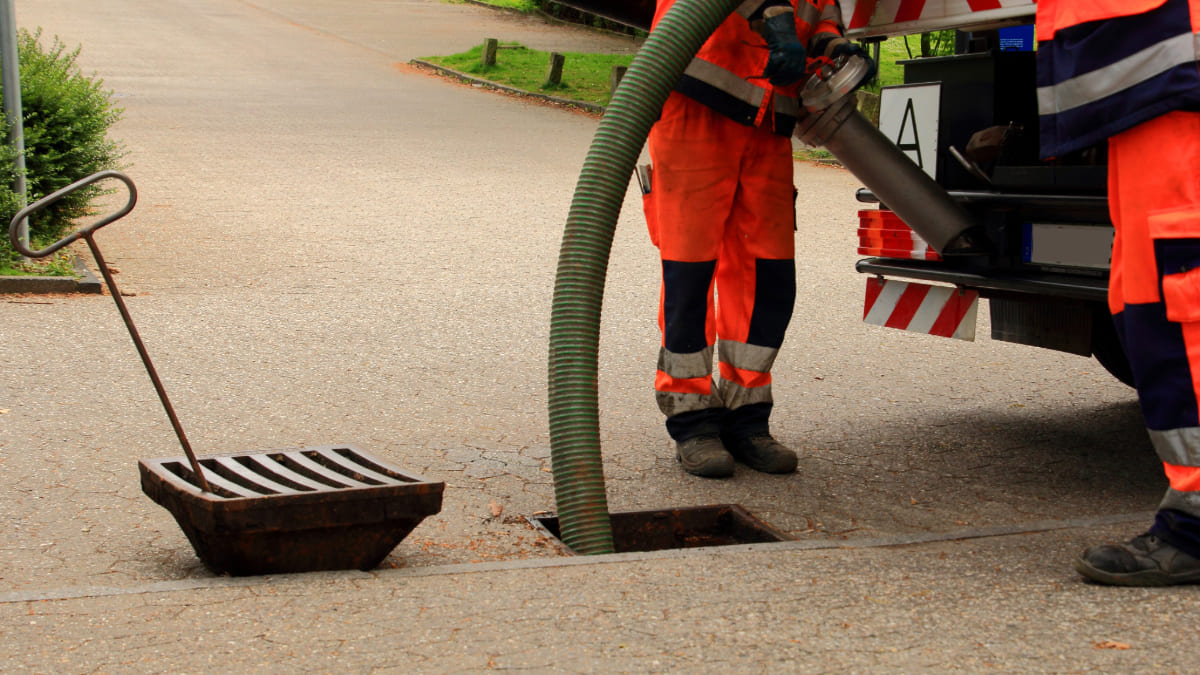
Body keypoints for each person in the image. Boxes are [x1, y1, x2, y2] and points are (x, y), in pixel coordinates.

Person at [642, 0, 873, 477]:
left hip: (770, 119)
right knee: (690, 273)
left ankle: (747, 418)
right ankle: (693, 421)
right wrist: (776, 19)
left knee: (768, 276)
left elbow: (820, 13)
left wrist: (833, 45)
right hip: (698, 103)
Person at [1037, 0, 1200, 585]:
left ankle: (1196, 528)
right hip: (1146, 76)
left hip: (1170, 65)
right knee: (1145, 297)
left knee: (1179, 300)